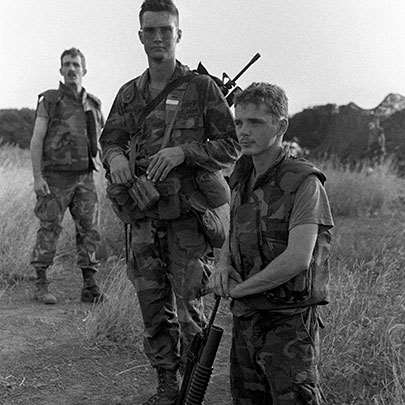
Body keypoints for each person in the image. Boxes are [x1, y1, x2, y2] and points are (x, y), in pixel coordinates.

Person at [99, 0, 239, 403]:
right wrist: (116, 157)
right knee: (152, 305)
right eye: (150, 31)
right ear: (140, 36)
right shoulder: (129, 93)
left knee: (191, 306)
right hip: (142, 216)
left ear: (178, 35)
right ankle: (166, 384)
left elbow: (231, 146)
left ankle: (193, 388)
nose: (158, 37)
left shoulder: (201, 88)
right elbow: (109, 139)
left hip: (187, 221)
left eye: (166, 30)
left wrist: (184, 153)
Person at [209, 82, 334, 405]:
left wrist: (240, 290)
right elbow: (234, 228)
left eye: (255, 122)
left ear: (281, 126)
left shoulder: (304, 182)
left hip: (288, 323)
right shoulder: (241, 175)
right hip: (247, 318)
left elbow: (297, 259)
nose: (243, 131)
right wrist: (223, 263)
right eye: (239, 122)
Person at [30, 47, 104, 305]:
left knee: (89, 231)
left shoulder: (93, 103)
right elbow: (37, 139)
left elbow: (101, 141)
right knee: (49, 228)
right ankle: (41, 283)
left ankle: (90, 285)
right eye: (67, 64)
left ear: (84, 70)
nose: (71, 68)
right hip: (55, 178)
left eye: (76, 64)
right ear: (61, 70)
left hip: (85, 177)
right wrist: (38, 178)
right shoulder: (50, 101)